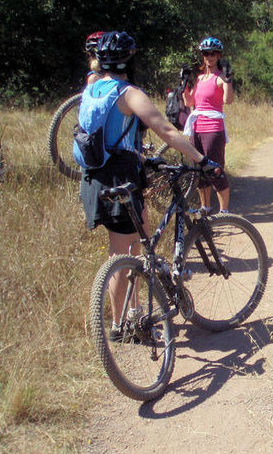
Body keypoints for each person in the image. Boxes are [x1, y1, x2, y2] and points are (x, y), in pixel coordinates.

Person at [78, 31, 220, 340]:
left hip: (92, 178)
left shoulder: (91, 90)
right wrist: (200, 158)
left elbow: (108, 132)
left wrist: (142, 159)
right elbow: (167, 131)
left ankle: (136, 312)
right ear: (129, 59)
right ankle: (122, 327)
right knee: (121, 254)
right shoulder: (128, 93)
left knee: (141, 242)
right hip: (118, 177)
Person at [182, 36, 234, 214]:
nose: (209, 57)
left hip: (213, 129)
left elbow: (228, 100)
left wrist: (227, 80)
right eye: (205, 53)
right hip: (196, 128)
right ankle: (205, 207)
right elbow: (189, 102)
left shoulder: (219, 78)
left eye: (213, 53)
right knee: (199, 171)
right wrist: (184, 83)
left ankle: (224, 211)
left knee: (215, 170)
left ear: (219, 55)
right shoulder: (199, 78)